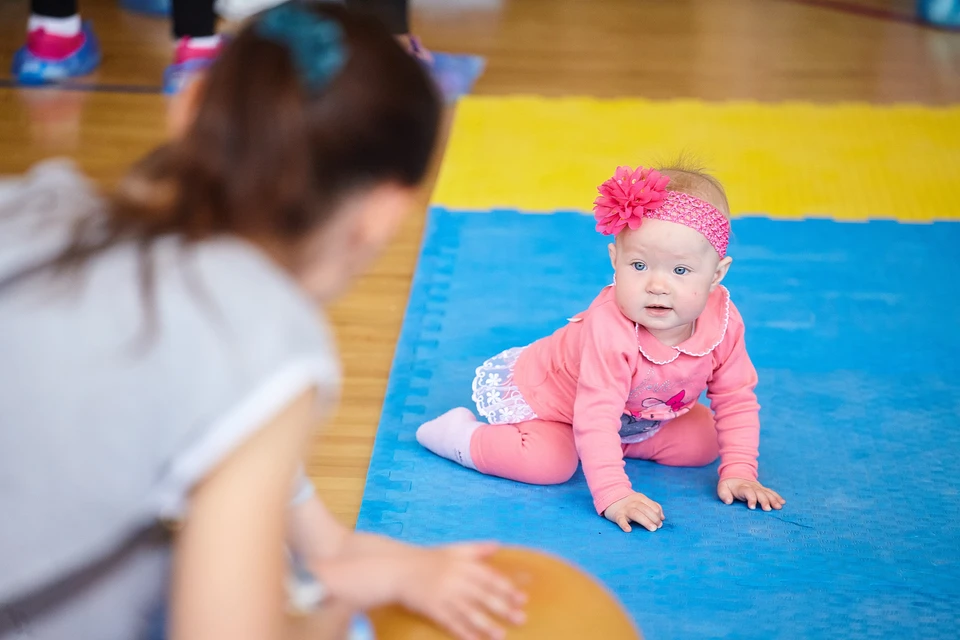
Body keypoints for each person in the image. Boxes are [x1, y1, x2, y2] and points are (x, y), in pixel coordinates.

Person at [0, 4, 523, 640]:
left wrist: (408, 568)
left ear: (186, 108)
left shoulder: (46, 201)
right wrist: (342, 597)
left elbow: (318, 545)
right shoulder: (264, 346)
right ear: (385, 213)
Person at [416, 164, 786, 533]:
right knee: (549, 464)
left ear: (717, 275)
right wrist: (614, 493)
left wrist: (740, 470)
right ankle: (461, 436)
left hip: (631, 413)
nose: (657, 285)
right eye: (639, 265)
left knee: (703, 441)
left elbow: (736, 397)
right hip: (555, 405)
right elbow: (595, 413)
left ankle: (606, 446)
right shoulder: (610, 328)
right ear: (615, 261)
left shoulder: (724, 322)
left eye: (681, 271)